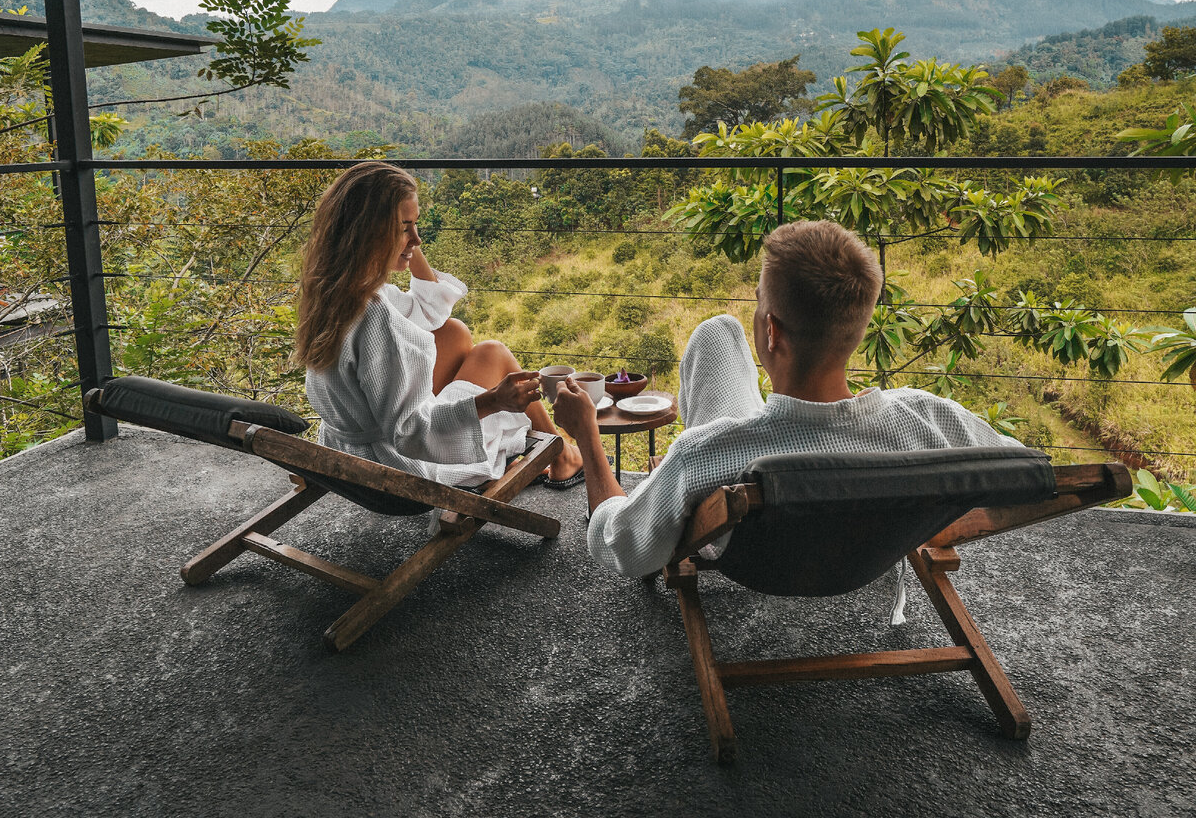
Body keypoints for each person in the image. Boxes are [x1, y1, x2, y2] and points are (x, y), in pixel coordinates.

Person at [553, 219, 1021, 579]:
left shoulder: (709, 454)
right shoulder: (926, 416)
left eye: (759, 304)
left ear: (772, 330)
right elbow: (1024, 471)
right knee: (723, 332)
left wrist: (588, 436)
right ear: (858, 328)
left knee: (715, 332)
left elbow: (623, 547)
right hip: (863, 553)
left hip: (760, 544)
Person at [294, 161, 584, 489]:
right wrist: (494, 401)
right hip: (402, 467)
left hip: (352, 454)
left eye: (416, 225)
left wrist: (407, 245)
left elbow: (432, 313)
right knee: (493, 353)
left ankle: (559, 453)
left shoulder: (332, 290)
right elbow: (409, 434)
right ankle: (564, 457)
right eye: (404, 228)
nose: (417, 238)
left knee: (454, 331)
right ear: (368, 231)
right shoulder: (373, 317)